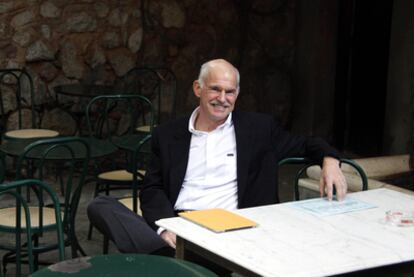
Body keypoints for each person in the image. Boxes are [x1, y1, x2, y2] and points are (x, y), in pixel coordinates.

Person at [87, 58, 347, 265]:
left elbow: (308, 143)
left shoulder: (258, 129)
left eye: (230, 91)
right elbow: (152, 188)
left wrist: (331, 161)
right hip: (182, 225)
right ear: (198, 88)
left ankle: (173, 266)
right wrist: (165, 229)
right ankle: (175, 259)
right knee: (101, 205)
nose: (222, 98)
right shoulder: (168, 134)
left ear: (237, 94)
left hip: (234, 229)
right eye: (215, 89)